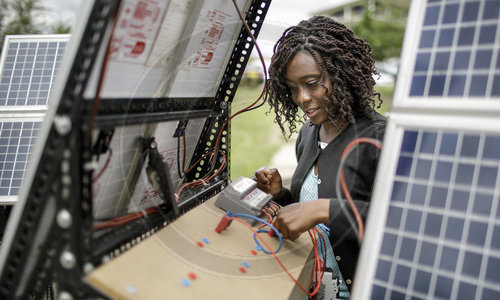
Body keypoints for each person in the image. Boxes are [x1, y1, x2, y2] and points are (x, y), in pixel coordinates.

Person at [254, 15, 386, 298]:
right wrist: (281, 196)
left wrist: (326, 209)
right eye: (292, 88)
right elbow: (309, 208)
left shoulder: (379, 138)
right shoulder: (308, 134)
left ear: (342, 74)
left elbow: (404, 222)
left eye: (312, 83)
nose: (301, 97)